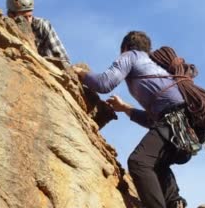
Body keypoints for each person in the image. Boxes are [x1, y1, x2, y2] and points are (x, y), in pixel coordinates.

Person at [73, 31, 190, 208]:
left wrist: (82, 74)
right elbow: (155, 122)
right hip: (188, 130)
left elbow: (104, 83)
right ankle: (174, 202)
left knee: (138, 162)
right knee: (156, 162)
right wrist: (126, 109)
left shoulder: (131, 55)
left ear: (125, 47)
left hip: (174, 122)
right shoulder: (157, 69)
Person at [6, 0, 70, 63]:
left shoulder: (42, 25)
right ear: (11, 15)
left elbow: (63, 58)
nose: (28, 20)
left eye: (30, 16)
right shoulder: (7, 27)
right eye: (23, 17)